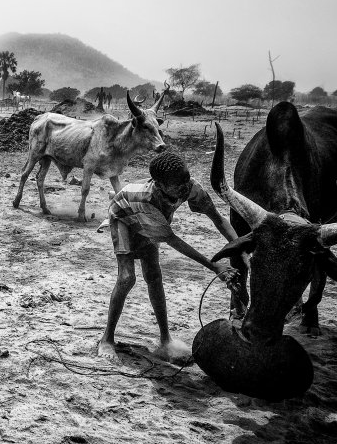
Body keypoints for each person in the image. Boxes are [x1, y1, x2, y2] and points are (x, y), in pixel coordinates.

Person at [97, 150, 240, 363]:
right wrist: (215, 266)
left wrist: (240, 249)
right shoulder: (146, 199)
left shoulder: (190, 187)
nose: (185, 185)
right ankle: (106, 339)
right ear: (159, 184)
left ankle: (166, 340)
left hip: (153, 221)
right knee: (127, 278)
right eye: (178, 183)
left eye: (186, 178)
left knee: (154, 276)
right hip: (124, 215)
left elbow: (218, 219)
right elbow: (172, 240)